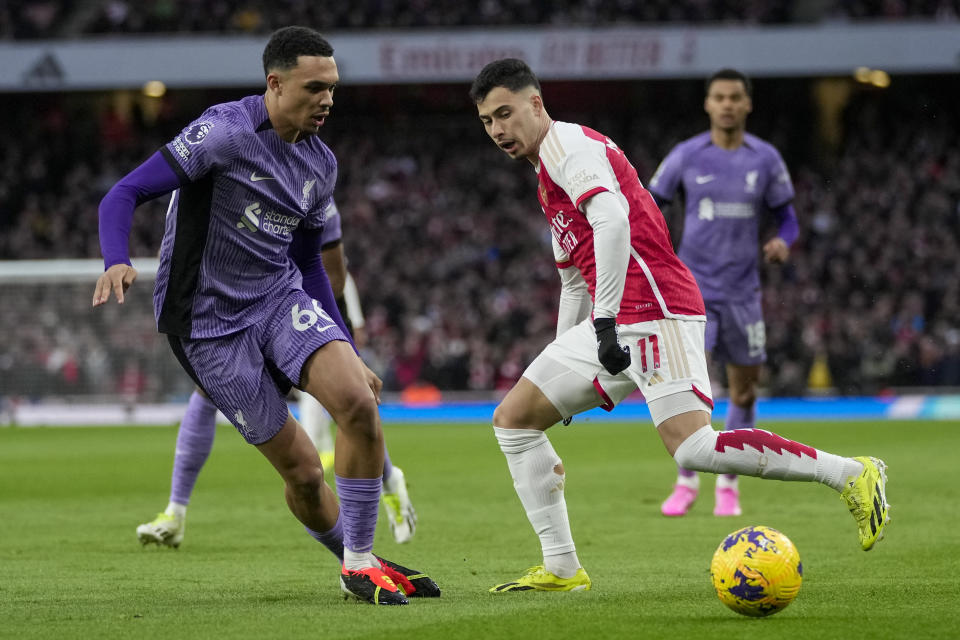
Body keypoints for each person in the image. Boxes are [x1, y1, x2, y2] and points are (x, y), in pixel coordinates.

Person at [469, 58, 889, 594]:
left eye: (505, 113)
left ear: (535, 103)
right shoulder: (546, 177)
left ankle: (850, 474)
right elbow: (574, 281)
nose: (498, 130)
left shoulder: (568, 148)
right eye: (486, 121)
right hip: (618, 318)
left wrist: (602, 323)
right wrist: (566, 360)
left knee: (692, 448)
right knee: (515, 420)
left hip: (654, 308)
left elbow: (613, 220)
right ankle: (561, 568)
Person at [93, 26, 437, 605]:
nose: (327, 99)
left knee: (357, 400)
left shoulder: (320, 164)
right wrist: (116, 259)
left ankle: (359, 562)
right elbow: (121, 193)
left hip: (277, 299)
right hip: (205, 325)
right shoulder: (223, 133)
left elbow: (307, 263)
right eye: (314, 88)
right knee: (303, 471)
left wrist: (346, 346)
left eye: (333, 88)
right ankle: (360, 559)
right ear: (275, 84)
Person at [135, 201, 417, 549]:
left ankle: (386, 486)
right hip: (241, 307)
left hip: (300, 304)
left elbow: (334, 276)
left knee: (347, 404)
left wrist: (331, 327)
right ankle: (175, 511)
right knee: (207, 390)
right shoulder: (232, 173)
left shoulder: (314, 186)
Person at [647, 69, 799, 518]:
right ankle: (687, 479)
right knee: (693, 389)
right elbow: (652, 205)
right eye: (719, 97)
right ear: (708, 104)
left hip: (744, 293)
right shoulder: (686, 155)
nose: (728, 104)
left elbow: (787, 218)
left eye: (735, 97)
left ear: (747, 104)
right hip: (691, 294)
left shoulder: (765, 160)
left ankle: (729, 484)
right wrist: (658, 254)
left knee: (745, 391)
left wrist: (782, 241)